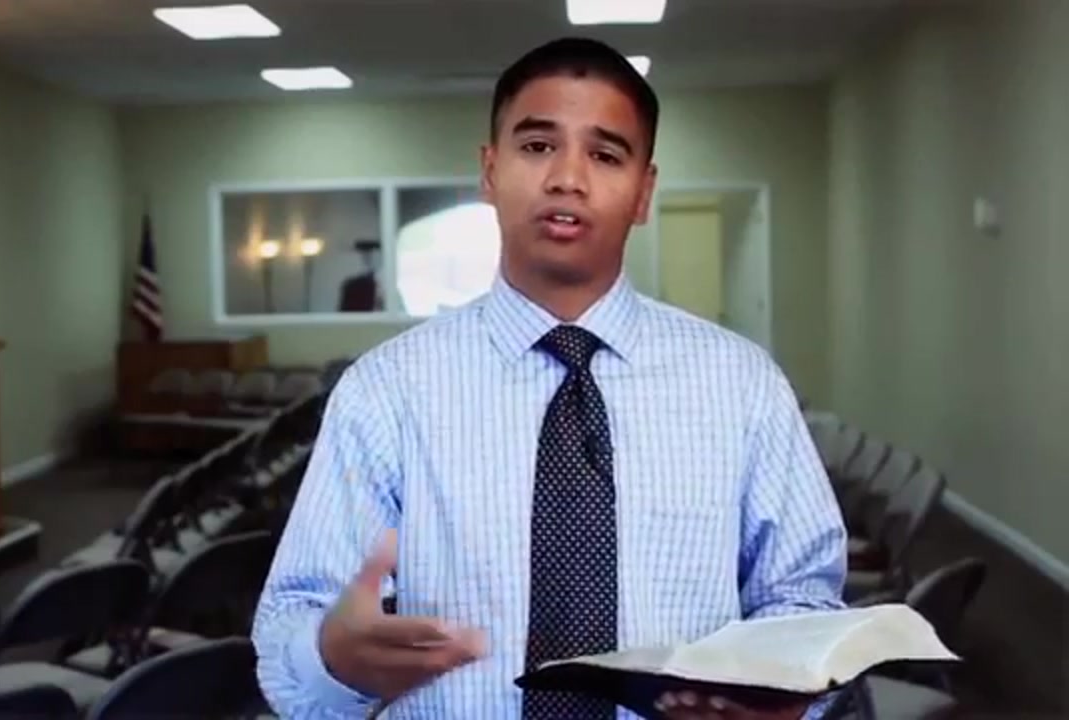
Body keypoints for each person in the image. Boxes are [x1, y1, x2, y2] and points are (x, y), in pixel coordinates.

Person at [251, 36, 847, 720]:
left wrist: (784, 690)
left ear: (644, 192)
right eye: (537, 146)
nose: (568, 177)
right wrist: (332, 658)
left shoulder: (742, 386)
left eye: (605, 155)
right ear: (489, 171)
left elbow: (802, 597)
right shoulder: (386, 390)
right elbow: (294, 622)